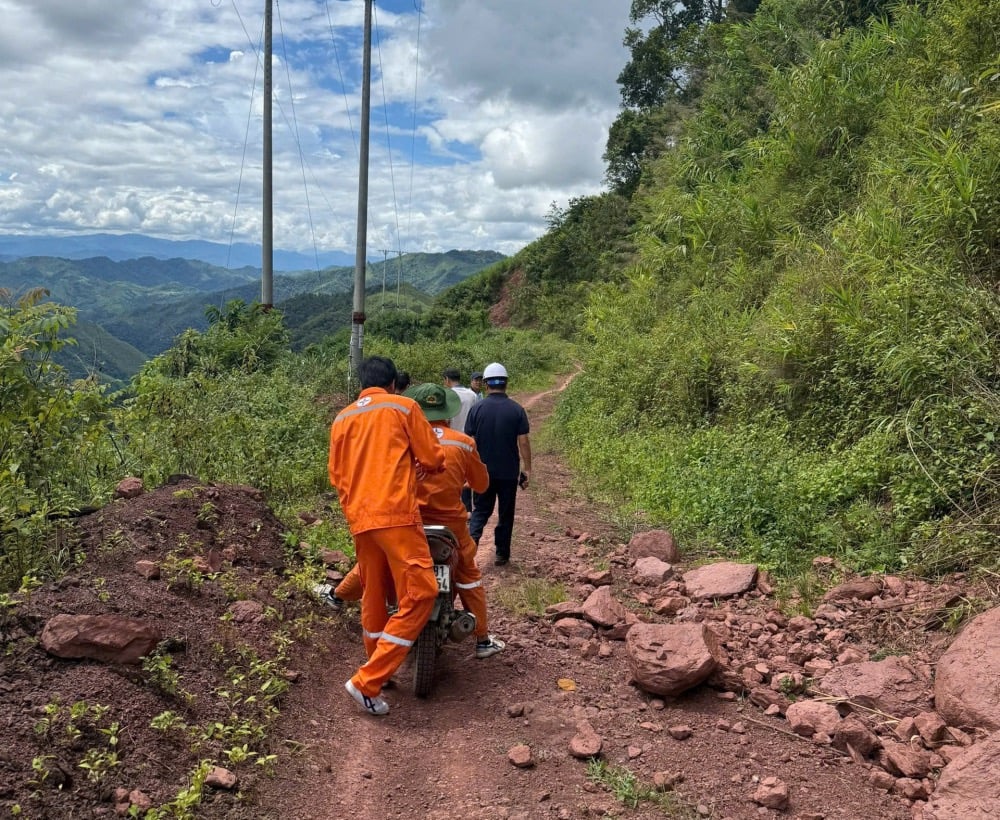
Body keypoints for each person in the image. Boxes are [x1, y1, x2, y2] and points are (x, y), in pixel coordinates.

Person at [327, 355, 445, 716]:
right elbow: (433, 457)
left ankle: (381, 669)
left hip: (360, 519)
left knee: (374, 592)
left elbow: (336, 475)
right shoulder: (403, 407)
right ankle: (367, 680)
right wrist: (423, 466)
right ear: (393, 383)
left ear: (362, 384)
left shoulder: (342, 418)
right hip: (395, 513)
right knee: (424, 592)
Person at [405, 382, 505, 659]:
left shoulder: (404, 441)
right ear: (448, 414)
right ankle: (482, 639)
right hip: (452, 528)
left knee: (394, 572)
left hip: (411, 525)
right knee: (469, 576)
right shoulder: (463, 443)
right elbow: (482, 485)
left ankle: (384, 638)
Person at [464, 362, 531, 566]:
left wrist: (468, 471)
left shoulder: (476, 409)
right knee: (505, 512)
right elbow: (524, 441)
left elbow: (470, 443)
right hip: (508, 473)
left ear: (486, 385)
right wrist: (527, 469)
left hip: (482, 472)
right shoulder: (517, 410)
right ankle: (502, 553)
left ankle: (470, 548)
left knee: (481, 511)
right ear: (506, 384)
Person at [442, 368, 480, 511]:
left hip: (451, 441)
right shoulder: (472, 395)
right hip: (469, 439)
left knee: (452, 474)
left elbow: (445, 419)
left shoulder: (448, 395)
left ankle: (453, 507)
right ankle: (468, 508)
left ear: (446, 379)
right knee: (468, 474)